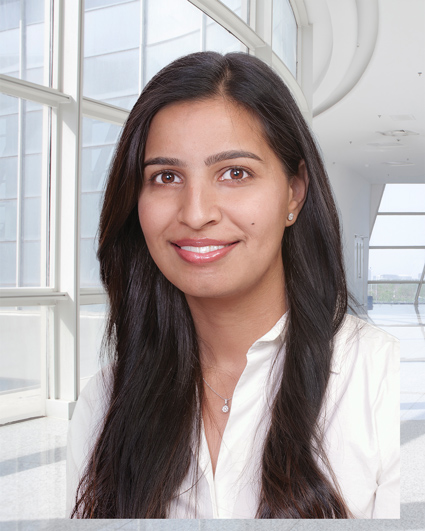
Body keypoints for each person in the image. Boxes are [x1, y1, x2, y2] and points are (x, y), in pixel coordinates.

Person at [66, 51, 399, 519]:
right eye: (166, 177)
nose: (196, 212)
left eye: (235, 173)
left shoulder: (380, 379)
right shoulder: (104, 401)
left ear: (294, 192)